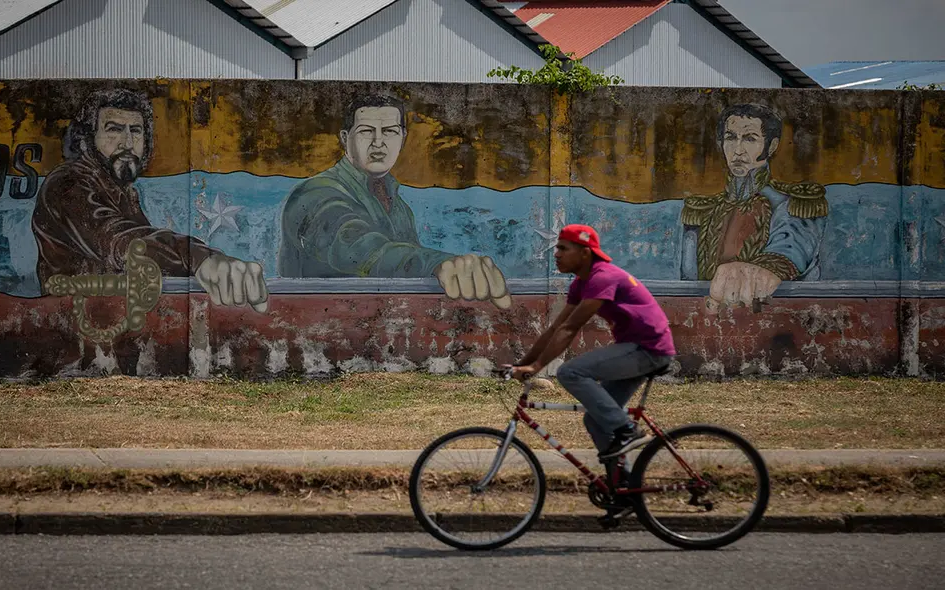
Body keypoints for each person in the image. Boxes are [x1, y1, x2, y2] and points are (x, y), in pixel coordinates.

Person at [32, 88, 268, 312]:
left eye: (136, 131)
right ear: (86, 140)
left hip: (111, 320)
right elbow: (119, 240)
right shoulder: (67, 184)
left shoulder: (121, 190)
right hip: (78, 324)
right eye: (114, 129)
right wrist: (200, 258)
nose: (127, 143)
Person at [279, 94, 510, 309]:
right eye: (366, 131)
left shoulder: (398, 207)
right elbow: (357, 246)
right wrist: (438, 264)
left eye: (389, 131)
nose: (378, 142)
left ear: (402, 138)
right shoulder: (315, 194)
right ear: (345, 139)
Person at [508, 224, 676, 463]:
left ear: (585, 252)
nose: (556, 254)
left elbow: (570, 329)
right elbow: (555, 328)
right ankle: (621, 482)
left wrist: (536, 367)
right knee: (596, 421)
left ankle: (628, 430)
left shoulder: (602, 277)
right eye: (557, 248)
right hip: (636, 348)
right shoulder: (580, 284)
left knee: (570, 372)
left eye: (563, 248)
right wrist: (522, 364)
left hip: (648, 349)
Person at [681, 103, 827, 311]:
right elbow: (687, 284)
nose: (738, 150)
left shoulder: (793, 203)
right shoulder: (702, 210)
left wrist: (762, 269)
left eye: (750, 139)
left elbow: (791, 248)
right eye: (731, 138)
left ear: (772, 146)